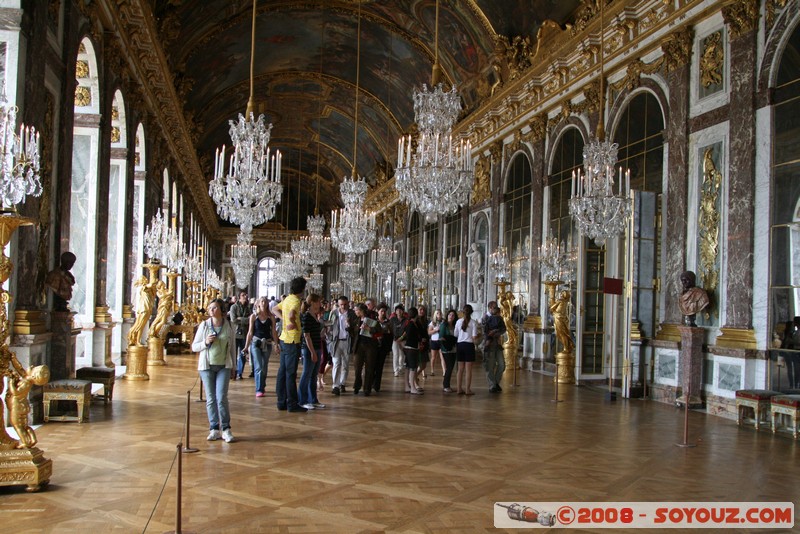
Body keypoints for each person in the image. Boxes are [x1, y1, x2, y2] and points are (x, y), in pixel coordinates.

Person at [192, 298, 236, 443]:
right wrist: (205, 342)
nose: (212, 310)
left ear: (221, 310)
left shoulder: (229, 325)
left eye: (215, 307)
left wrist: (234, 366)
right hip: (207, 366)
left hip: (224, 365)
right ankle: (214, 428)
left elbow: (233, 348)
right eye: (210, 308)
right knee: (211, 399)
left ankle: (226, 428)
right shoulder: (204, 325)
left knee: (221, 397)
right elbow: (194, 346)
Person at [273, 277, 308, 412]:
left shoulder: (287, 298)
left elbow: (275, 309)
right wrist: (290, 322)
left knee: (282, 371)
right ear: (302, 289)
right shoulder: (296, 301)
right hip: (292, 340)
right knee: (290, 373)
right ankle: (292, 403)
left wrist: (284, 319)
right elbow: (293, 313)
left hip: (284, 339)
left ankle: (281, 401)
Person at [242, 296, 279, 398]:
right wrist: (246, 346)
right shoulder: (253, 317)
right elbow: (250, 332)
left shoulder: (271, 317)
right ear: (258, 303)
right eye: (262, 301)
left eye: (265, 301)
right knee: (258, 367)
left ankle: (262, 384)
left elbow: (274, 332)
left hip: (267, 343)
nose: (264, 303)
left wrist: (276, 344)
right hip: (256, 343)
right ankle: (259, 389)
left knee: (264, 366)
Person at [6, 363, 50, 448]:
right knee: (25, 426)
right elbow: (20, 369)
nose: (31, 366)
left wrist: (11, 383)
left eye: (33, 368)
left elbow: (16, 392)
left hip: (17, 406)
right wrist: (13, 359)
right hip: (23, 406)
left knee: (17, 426)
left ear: (33, 376)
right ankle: (33, 439)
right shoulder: (27, 379)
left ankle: (25, 442)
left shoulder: (26, 382)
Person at [326, 296, 358, 396]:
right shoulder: (334, 313)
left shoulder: (352, 314)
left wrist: (349, 325)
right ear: (338, 304)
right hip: (336, 341)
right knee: (336, 363)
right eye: (341, 304)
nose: (343, 306)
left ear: (348, 304)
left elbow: (355, 328)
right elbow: (329, 325)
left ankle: (342, 383)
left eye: (345, 304)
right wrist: (329, 339)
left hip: (347, 341)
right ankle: (335, 385)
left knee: (345, 364)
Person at [299, 293, 325, 410]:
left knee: (313, 376)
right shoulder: (306, 316)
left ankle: (313, 399)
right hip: (309, 349)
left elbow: (314, 334)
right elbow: (306, 336)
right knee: (306, 374)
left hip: (317, 347)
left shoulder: (315, 316)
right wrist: (312, 352)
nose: (320, 304)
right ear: (313, 302)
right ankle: (302, 400)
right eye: (318, 302)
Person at [352, 302, 380, 396]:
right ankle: (357, 386)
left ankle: (367, 388)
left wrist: (369, 328)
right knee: (357, 367)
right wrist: (349, 327)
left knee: (369, 367)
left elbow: (379, 331)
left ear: (361, 311)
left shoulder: (372, 320)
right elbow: (353, 333)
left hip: (370, 346)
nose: (355, 312)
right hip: (359, 345)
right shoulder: (356, 320)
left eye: (356, 310)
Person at [483, 300, 507, 393]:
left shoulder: (499, 318)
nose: (496, 309)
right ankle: (492, 385)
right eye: (494, 307)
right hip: (489, 344)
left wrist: (495, 332)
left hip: (498, 343)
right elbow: (485, 332)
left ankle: (495, 382)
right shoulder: (485, 317)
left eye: (496, 307)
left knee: (502, 365)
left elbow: (503, 329)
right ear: (490, 308)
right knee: (490, 365)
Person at [128, 274, 158, 346]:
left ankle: (137, 340)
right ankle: (135, 340)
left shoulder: (148, 290)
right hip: (143, 309)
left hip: (147, 308)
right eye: (144, 279)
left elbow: (154, 293)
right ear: (142, 281)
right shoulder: (143, 288)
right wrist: (154, 274)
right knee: (140, 325)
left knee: (142, 325)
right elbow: (150, 285)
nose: (146, 279)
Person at [229, 290, 253, 379]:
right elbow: (233, 320)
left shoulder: (248, 308)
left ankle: (240, 373)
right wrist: (246, 319)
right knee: (233, 354)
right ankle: (233, 373)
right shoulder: (233, 307)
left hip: (244, 334)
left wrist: (241, 319)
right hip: (235, 334)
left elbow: (251, 319)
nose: (245, 296)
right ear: (239, 297)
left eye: (246, 295)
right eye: (243, 295)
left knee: (243, 354)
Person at [455, 304, 479, 395]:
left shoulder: (458, 322)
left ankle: (458, 388)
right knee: (468, 369)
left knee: (460, 369)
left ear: (463, 312)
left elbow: (455, 334)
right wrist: (479, 335)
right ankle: (467, 389)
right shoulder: (473, 322)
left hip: (460, 345)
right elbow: (474, 337)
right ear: (471, 312)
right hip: (469, 345)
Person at [399, 306, 423, 395]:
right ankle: (412, 387)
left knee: (408, 367)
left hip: (410, 347)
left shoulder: (408, 323)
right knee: (413, 368)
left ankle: (407, 386)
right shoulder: (411, 324)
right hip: (412, 348)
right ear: (416, 315)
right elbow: (408, 335)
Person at [373, 303, 393, 392]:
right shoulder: (374, 321)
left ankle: (377, 385)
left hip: (383, 346)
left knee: (380, 366)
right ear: (378, 311)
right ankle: (371, 382)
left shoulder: (388, 322)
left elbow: (391, 334)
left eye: (384, 311)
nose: (383, 313)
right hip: (373, 346)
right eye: (382, 311)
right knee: (372, 365)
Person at [439, 309, 458, 393]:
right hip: (446, 349)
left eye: (453, 315)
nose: (451, 316)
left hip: (454, 349)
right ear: (447, 316)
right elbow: (441, 337)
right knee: (449, 367)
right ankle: (445, 385)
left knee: (451, 367)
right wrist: (449, 341)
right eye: (450, 315)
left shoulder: (455, 326)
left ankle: (447, 385)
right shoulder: (444, 325)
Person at [390, 304, 407, 377]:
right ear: (395, 312)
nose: (399, 311)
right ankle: (396, 370)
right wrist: (394, 337)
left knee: (402, 354)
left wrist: (402, 337)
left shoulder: (406, 320)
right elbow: (390, 328)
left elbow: (407, 329)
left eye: (400, 310)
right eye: (397, 310)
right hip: (394, 339)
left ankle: (401, 368)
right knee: (396, 354)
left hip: (403, 339)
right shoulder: (393, 319)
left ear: (403, 311)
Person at [428, 309, 444, 377]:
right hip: (434, 341)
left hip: (441, 341)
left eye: (440, 313)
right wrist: (435, 330)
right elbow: (429, 332)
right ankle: (432, 370)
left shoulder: (443, 322)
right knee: (433, 357)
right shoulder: (432, 323)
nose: (439, 315)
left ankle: (444, 371)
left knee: (442, 357)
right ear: (435, 315)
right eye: (437, 313)